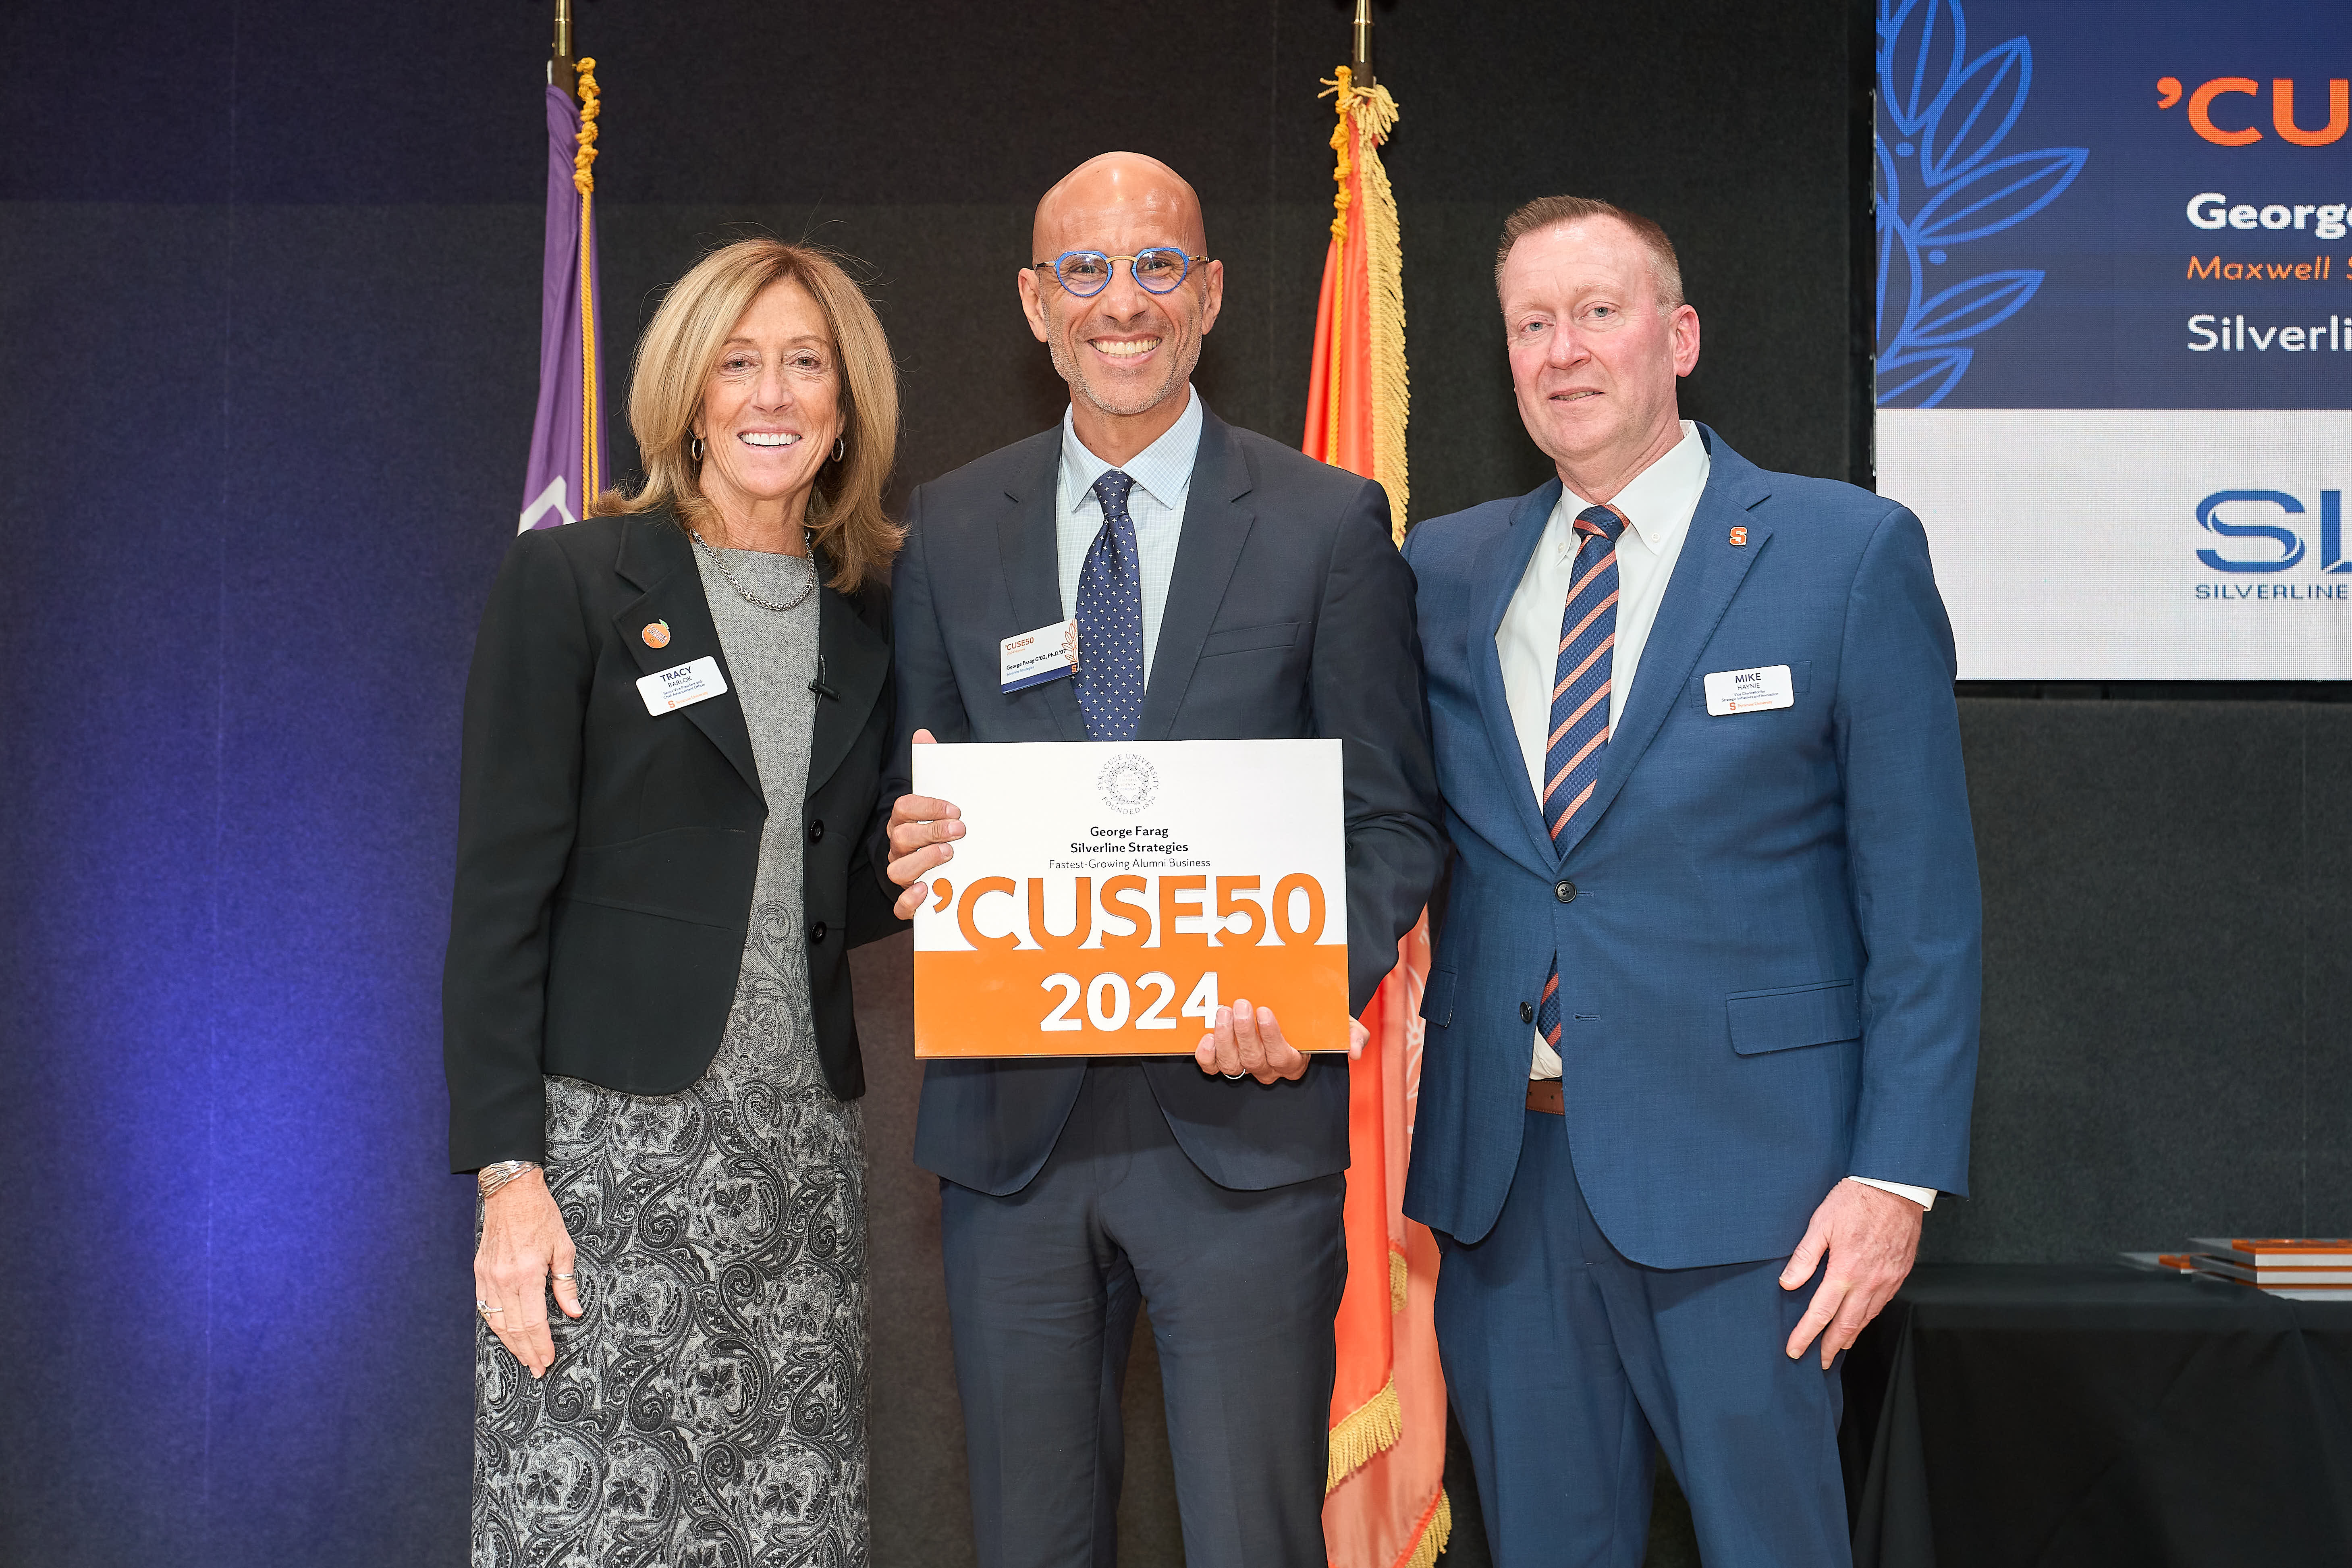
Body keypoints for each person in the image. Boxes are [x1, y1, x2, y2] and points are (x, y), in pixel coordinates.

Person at [875, 152, 1445, 1568]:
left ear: (1210, 297)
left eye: (1155, 267)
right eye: (1083, 270)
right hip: (1014, 1140)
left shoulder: (1326, 525)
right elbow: (923, 784)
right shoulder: (948, 526)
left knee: (1254, 1542)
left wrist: (1307, 986)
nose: (1119, 302)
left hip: (1244, 1134)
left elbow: (1391, 823)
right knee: (1029, 1540)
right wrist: (915, 836)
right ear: (1032, 303)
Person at [1400, 196, 1981, 1566]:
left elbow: (1927, 911)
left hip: (1758, 1197)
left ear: (1682, 335)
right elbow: (1367, 818)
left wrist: (1893, 1181)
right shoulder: (1438, 571)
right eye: (1531, 324)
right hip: (1504, 1188)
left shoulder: (1845, 553)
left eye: (1599, 312)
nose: (1563, 351)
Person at [442, 238, 906, 1564]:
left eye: (805, 363)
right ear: (690, 395)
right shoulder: (575, 584)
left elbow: (807, 883)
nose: (772, 394)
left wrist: (923, 868)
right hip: (604, 1178)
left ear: (844, 401)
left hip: (798, 1173)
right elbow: (497, 905)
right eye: (738, 362)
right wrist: (508, 1178)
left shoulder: (867, 626)